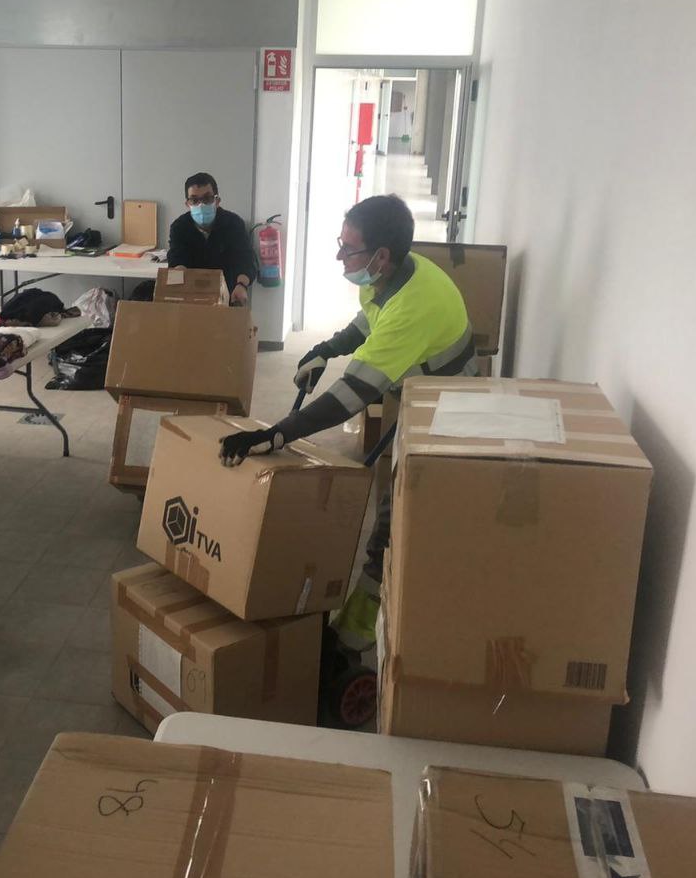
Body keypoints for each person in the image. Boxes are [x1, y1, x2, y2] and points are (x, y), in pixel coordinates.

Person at [218, 194, 477, 654]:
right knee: (394, 505)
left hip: (449, 411)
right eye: (340, 243)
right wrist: (327, 349)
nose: (340, 256)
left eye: (348, 248)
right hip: (419, 391)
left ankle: (352, 642)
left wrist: (277, 433)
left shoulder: (414, 307)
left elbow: (350, 396)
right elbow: (366, 321)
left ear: (380, 255)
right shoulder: (388, 274)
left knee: (394, 521)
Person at [168, 171, 257, 306]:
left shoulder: (233, 223)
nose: (201, 205)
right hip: (191, 298)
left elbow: (245, 259)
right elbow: (177, 259)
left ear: (217, 201)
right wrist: (178, 280)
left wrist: (242, 285)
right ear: (187, 204)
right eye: (194, 200)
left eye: (207, 198)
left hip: (229, 295)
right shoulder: (179, 227)